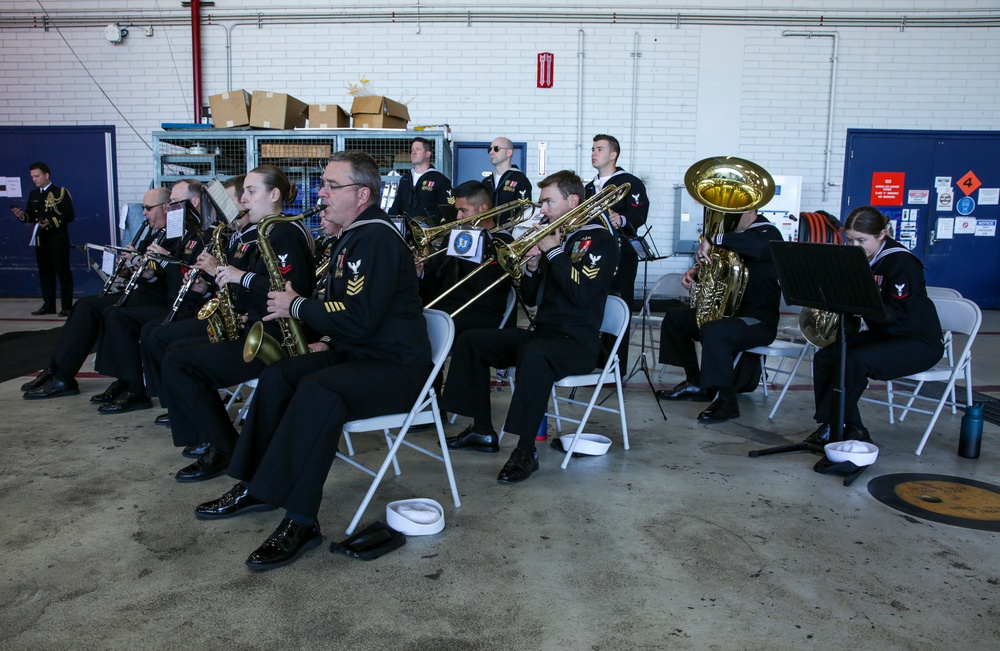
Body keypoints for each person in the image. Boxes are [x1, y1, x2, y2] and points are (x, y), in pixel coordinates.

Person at [194, 150, 431, 571]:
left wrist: (298, 306)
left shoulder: (374, 237)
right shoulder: (354, 235)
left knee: (318, 392)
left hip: (396, 372)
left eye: (330, 186)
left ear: (362, 194)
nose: (320, 193)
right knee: (281, 374)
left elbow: (359, 319)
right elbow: (355, 316)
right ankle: (257, 485)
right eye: (322, 184)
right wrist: (326, 340)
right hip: (361, 356)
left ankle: (301, 521)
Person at [442, 170, 619, 483]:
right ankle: (482, 429)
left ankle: (526, 451)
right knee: (472, 340)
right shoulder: (559, 238)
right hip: (545, 334)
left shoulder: (600, 239)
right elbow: (531, 299)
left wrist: (553, 251)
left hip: (578, 343)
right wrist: (532, 269)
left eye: (549, 201)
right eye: (542, 202)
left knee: (534, 355)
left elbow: (581, 294)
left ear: (573, 201)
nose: (543, 209)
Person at [159, 165, 314, 482]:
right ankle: (213, 438)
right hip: (258, 327)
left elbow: (290, 291)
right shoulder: (268, 230)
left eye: (251, 191)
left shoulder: (284, 232)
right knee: (174, 350)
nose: (243, 200)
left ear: (274, 195)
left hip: (278, 339)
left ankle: (222, 445)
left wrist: (240, 277)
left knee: (179, 362)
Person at [21, 188, 181, 400]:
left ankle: (70, 375)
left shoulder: (176, 234)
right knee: (84, 306)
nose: (144, 213)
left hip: (155, 296)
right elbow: (142, 267)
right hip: (140, 291)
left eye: (148, 208)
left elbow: (168, 276)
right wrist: (127, 267)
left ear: (165, 208)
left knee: (99, 310)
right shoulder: (153, 232)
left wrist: (143, 267)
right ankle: (57, 369)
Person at [805, 206, 944, 445]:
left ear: (882, 234)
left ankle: (832, 424)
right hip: (885, 335)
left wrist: (858, 305)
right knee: (826, 357)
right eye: (850, 240)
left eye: (862, 240)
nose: (856, 245)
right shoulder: (864, 258)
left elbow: (898, 313)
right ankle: (852, 427)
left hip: (917, 341)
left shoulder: (901, 263)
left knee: (855, 360)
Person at [91, 180, 210, 413]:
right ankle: (127, 382)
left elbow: (192, 277)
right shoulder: (177, 233)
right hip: (171, 299)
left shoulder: (203, 236)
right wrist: (145, 270)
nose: (170, 208)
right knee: (115, 315)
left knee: (145, 329)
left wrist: (165, 261)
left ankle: (143, 392)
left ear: (194, 202)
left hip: (190, 305)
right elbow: (166, 278)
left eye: (175, 203)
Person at [655, 209, 783, 422]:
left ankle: (726, 401)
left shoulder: (768, 233)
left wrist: (713, 239)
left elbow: (756, 247)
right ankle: (696, 382)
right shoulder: (734, 239)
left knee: (714, 332)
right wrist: (697, 270)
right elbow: (720, 267)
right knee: (675, 319)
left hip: (757, 320)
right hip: (727, 315)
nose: (726, 221)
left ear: (750, 210)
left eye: (731, 215)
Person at [585, 134, 650, 372]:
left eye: (599, 149)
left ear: (613, 155)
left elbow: (640, 213)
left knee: (618, 303)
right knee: (594, 304)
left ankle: (615, 365)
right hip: (594, 254)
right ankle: (593, 358)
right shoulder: (590, 187)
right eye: (593, 149)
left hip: (622, 254)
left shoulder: (630, 182)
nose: (594, 153)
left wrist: (622, 219)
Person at [11, 162, 75, 316]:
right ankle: (48, 305)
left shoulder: (60, 192)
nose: (34, 179)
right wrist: (22, 216)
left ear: (46, 175)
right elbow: (30, 215)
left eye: (37, 176)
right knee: (45, 275)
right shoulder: (34, 194)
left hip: (58, 240)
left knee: (63, 273)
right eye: (32, 176)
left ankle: (66, 306)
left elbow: (69, 215)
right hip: (41, 241)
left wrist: (51, 222)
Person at [388, 137, 452, 226]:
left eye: (418, 149)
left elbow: (449, 211)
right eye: (412, 150)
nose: (413, 153)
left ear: (428, 153)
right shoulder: (405, 180)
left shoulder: (440, 180)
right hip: (407, 234)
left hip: (431, 234)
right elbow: (396, 207)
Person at [483, 137, 532, 224]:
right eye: (490, 149)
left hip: (510, 233)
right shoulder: (486, 181)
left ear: (509, 152)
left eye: (496, 149)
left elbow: (524, 211)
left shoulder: (520, 179)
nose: (491, 152)